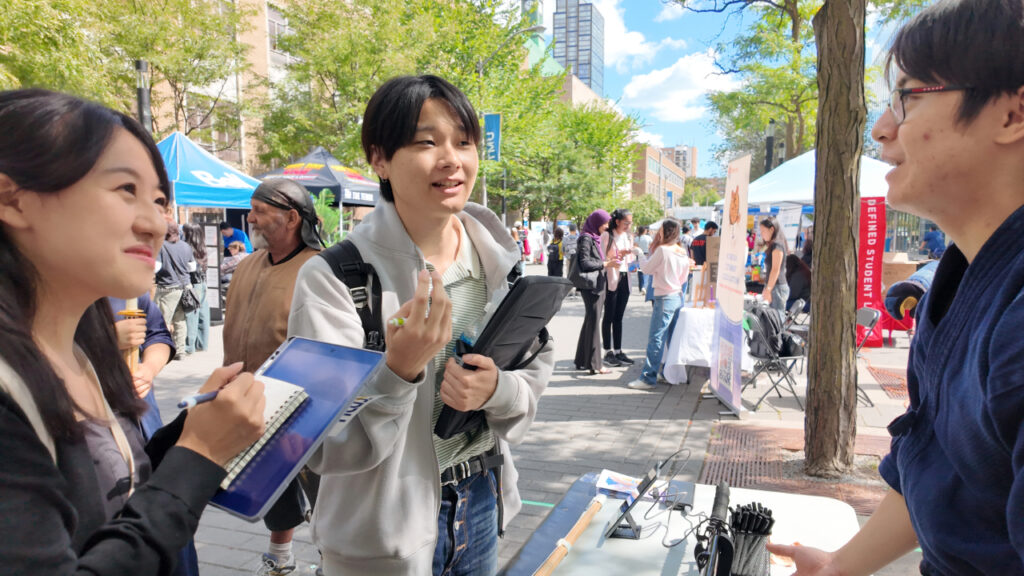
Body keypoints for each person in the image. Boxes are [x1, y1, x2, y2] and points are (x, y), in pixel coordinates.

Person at [768, 1, 1024, 574]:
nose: (882, 128)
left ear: (1012, 112)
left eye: (908, 97)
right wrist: (838, 566)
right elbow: (939, 467)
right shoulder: (957, 281)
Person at [286, 75, 554, 575]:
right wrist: (399, 369)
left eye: (464, 141)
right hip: (382, 535)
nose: (452, 158)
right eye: (427, 142)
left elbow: (536, 362)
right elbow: (316, 444)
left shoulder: (496, 260)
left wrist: (498, 390)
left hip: (480, 501)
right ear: (380, 158)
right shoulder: (337, 278)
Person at [0, 88, 265, 575]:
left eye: (161, 200)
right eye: (126, 190)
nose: (158, 224)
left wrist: (195, 431)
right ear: (12, 199)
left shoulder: (79, 349)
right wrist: (199, 455)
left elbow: (114, 494)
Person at [220, 178, 324, 576]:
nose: (252, 218)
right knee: (269, 487)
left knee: (322, 490)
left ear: (292, 218)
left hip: (304, 405)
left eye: (260, 211)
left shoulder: (319, 268)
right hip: (250, 401)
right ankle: (279, 558)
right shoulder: (246, 265)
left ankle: (333, 558)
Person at [627, 219, 692, 391]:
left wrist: (639, 254)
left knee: (656, 338)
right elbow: (685, 278)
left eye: (661, 230)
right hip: (677, 295)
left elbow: (647, 269)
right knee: (671, 338)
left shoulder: (663, 250)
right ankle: (670, 373)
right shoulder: (682, 251)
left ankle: (648, 377)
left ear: (665, 232)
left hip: (664, 296)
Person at [574, 209, 617, 375]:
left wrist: (606, 261)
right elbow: (584, 263)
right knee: (593, 324)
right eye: (604, 223)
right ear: (597, 222)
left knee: (590, 322)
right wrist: (605, 264)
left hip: (596, 284)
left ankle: (581, 360)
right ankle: (595, 364)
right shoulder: (586, 238)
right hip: (591, 286)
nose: (606, 226)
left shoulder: (594, 237)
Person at [601, 208, 635, 367]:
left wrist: (629, 255)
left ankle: (618, 351)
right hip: (611, 277)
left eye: (630, 223)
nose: (629, 225)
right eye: (626, 222)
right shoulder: (607, 235)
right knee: (609, 315)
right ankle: (607, 351)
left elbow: (631, 259)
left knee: (619, 317)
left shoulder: (629, 236)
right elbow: (602, 258)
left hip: (625, 277)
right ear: (617, 221)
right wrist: (617, 255)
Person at [155, 218, 194, 358]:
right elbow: (192, 267)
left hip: (167, 287)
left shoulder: (161, 245)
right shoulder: (185, 246)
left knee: (162, 320)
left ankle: (161, 351)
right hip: (184, 287)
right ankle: (180, 351)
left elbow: (156, 267)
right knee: (180, 320)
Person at [182, 223, 209, 354]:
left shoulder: (188, 248)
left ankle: (189, 346)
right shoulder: (202, 246)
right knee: (203, 314)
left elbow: (190, 268)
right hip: (203, 283)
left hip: (193, 284)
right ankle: (202, 344)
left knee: (191, 315)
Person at [758, 216, 789, 312]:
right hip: (773, 286)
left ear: (772, 229)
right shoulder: (774, 244)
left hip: (777, 287)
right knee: (772, 319)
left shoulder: (777, 245)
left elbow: (776, 269)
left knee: (777, 319)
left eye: (763, 231)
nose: (761, 234)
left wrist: (768, 289)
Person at [635, 225, 653, 293]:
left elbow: (635, 247)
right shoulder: (648, 238)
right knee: (646, 271)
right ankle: (644, 286)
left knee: (639, 271)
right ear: (645, 231)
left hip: (639, 255)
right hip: (647, 255)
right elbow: (651, 246)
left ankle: (641, 286)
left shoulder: (637, 238)